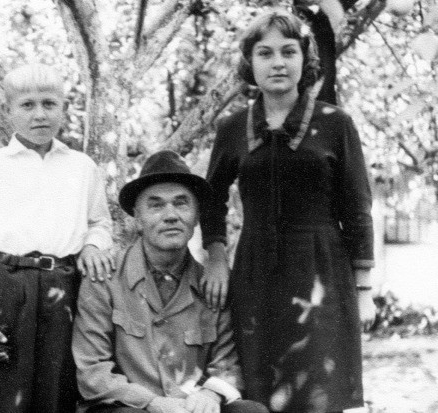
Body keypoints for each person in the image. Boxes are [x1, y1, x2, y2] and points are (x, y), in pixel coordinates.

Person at [199, 9, 376, 413]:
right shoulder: (232, 128)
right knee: (261, 388)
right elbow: (211, 198)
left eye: (288, 51)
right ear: (250, 62)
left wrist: (364, 290)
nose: (277, 62)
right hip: (255, 271)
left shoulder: (335, 123)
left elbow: (358, 207)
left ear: (303, 57)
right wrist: (216, 256)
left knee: (319, 388)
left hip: (322, 270)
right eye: (265, 53)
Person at [0, 63, 114, 413]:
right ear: (8, 110)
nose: (39, 114)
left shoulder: (81, 167)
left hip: (64, 286)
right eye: (27, 105)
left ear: (63, 108)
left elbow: (101, 223)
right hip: (7, 285)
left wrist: (92, 244)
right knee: (8, 395)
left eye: (49, 103)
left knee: (59, 393)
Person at [72, 150, 269, 413]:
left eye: (181, 203)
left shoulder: (212, 284)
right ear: (138, 218)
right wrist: (153, 403)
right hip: (128, 406)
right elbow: (93, 370)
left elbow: (226, 363)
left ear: (196, 217)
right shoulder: (105, 278)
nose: (171, 215)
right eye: (156, 205)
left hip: (190, 407)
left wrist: (211, 394)